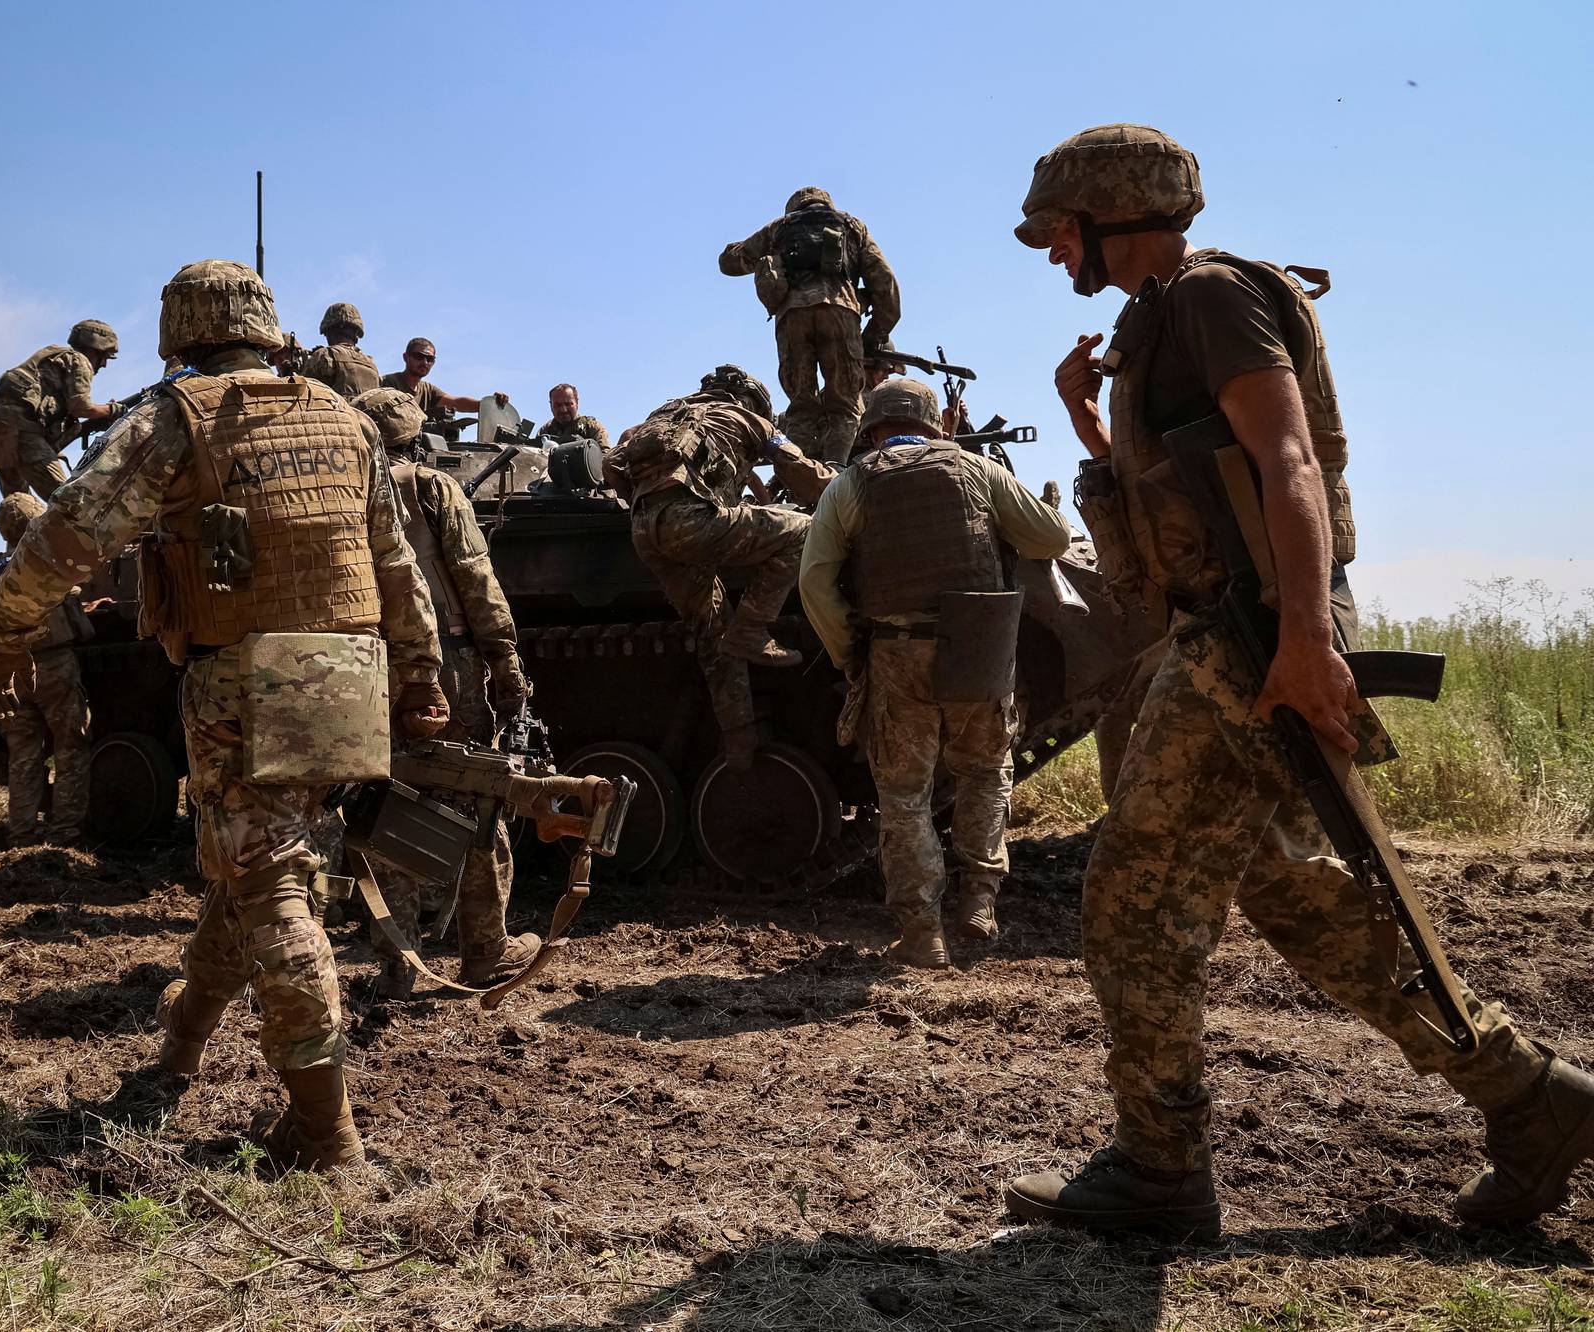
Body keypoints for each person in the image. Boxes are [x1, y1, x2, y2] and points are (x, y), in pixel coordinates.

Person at [1002, 123, 1594, 1236]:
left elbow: (1288, 459)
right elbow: (1176, 504)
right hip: (1237, 635)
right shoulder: (1156, 322)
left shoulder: (1213, 297)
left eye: (1061, 231)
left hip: (1254, 639)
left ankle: (1162, 1175)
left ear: (1114, 215)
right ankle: (1530, 1099)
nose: (1051, 255)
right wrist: (1089, 422)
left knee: (1131, 905)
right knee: (1305, 901)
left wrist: (1309, 641)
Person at [0, 259, 444, 1172]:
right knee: (257, 865)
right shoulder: (343, 420)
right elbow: (395, 562)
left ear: (180, 331)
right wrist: (420, 673)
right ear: (266, 326)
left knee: (269, 880)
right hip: (346, 670)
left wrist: (1, 633)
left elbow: (72, 528)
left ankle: (326, 1129)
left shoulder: (177, 417)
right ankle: (178, 1050)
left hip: (238, 675)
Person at [799, 380, 1069, 967]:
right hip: (978, 645)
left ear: (871, 430)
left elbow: (815, 582)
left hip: (898, 651)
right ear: (934, 426)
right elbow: (1051, 537)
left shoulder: (850, 484)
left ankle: (923, 934)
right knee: (986, 772)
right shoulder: (974, 469)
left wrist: (852, 654)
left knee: (903, 794)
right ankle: (978, 900)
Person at [354, 387, 541, 997]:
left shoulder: (345, 493)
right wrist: (507, 664)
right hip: (447, 666)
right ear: (414, 433)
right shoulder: (434, 488)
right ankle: (485, 950)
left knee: (387, 806)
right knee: (477, 797)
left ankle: (397, 963)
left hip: (369, 667)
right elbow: (474, 577)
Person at [604, 365, 831, 762]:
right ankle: (754, 629)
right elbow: (800, 474)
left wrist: (644, 505)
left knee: (712, 629)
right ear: (752, 400)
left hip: (645, 535)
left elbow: (611, 464)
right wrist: (840, 484)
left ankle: (739, 737)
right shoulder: (749, 418)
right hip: (692, 521)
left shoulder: (664, 414)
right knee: (805, 531)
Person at [719, 188, 901, 464]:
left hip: (793, 318)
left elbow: (730, 264)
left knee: (802, 407)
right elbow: (885, 284)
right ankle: (836, 476)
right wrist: (874, 333)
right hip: (841, 313)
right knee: (845, 406)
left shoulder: (779, 228)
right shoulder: (853, 226)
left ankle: (800, 481)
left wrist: (739, 249)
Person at [0, 493, 93, 847]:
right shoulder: (43, 556)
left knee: (23, 755)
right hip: (52, 665)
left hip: (12, 668)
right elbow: (67, 596)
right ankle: (65, 832)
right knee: (70, 748)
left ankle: (21, 832)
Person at [0, 321, 123, 500]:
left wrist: (89, 424)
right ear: (96, 349)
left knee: (17, 504)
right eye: (105, 356)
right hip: (23, 433)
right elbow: (81, 407)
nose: (104, 364)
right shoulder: (80, 360)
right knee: (68, 502)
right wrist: (112, 410)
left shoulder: (53, 356)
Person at [378, 338, 507, 426]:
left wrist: (487, 405)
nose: (424, 362)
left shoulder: (428, 391)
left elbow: (456, 403)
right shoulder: (389, 383)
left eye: (429, 359)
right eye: (419, 356)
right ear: (406, 357)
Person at [276, 302, 381, 398]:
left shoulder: (325, 355)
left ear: (330, 332)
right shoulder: (372, 365)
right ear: (356, 333)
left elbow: (302, 394)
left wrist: (288, 375)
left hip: (341, 417)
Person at [533, 384, 610, 447]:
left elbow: (605, 457)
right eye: (558, 405)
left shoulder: (591, 428)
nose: (563, 410)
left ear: (576, 403)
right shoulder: (545, 431)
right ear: (551, 405)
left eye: (568, 404)